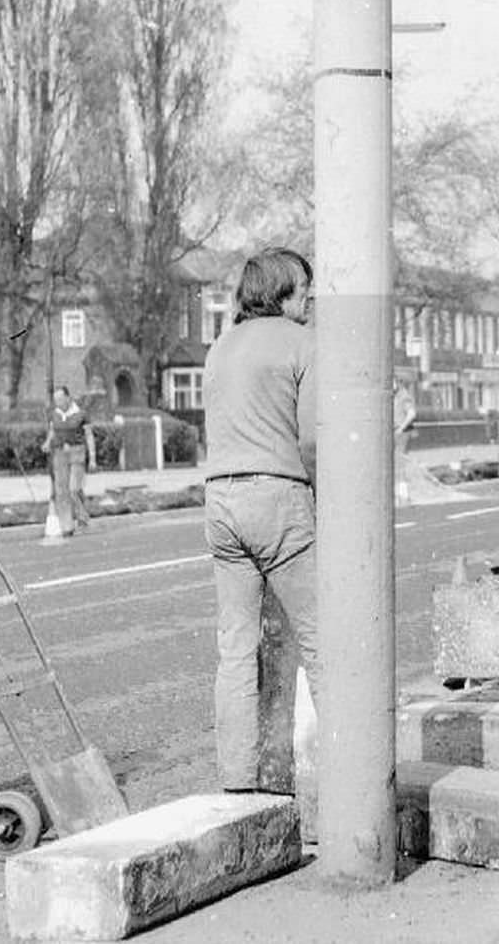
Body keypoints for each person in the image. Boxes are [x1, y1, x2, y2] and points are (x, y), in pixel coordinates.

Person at [200, 246, 319, 792]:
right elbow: (313, 439)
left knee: (236, 651)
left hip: (221, 504)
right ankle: (344, 778)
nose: (309, 302)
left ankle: (238, 780)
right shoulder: (302, 342)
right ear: (281, 294)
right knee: (324, 644)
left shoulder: (220, 347)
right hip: (278, 498)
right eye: (302, 292)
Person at [42, 385, 90, 537]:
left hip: (77, 451)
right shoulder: (54, 414)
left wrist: (93, 456)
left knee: (74, 488)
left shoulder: (81, 413)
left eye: (61, 399)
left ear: (69, 398)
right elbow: (52, 431)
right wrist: (47, 443)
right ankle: (66, 525)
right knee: (61, 490)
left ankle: (82, 517)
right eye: (56, 400)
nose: (59, 402)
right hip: (59, 453)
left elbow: (89, 435)